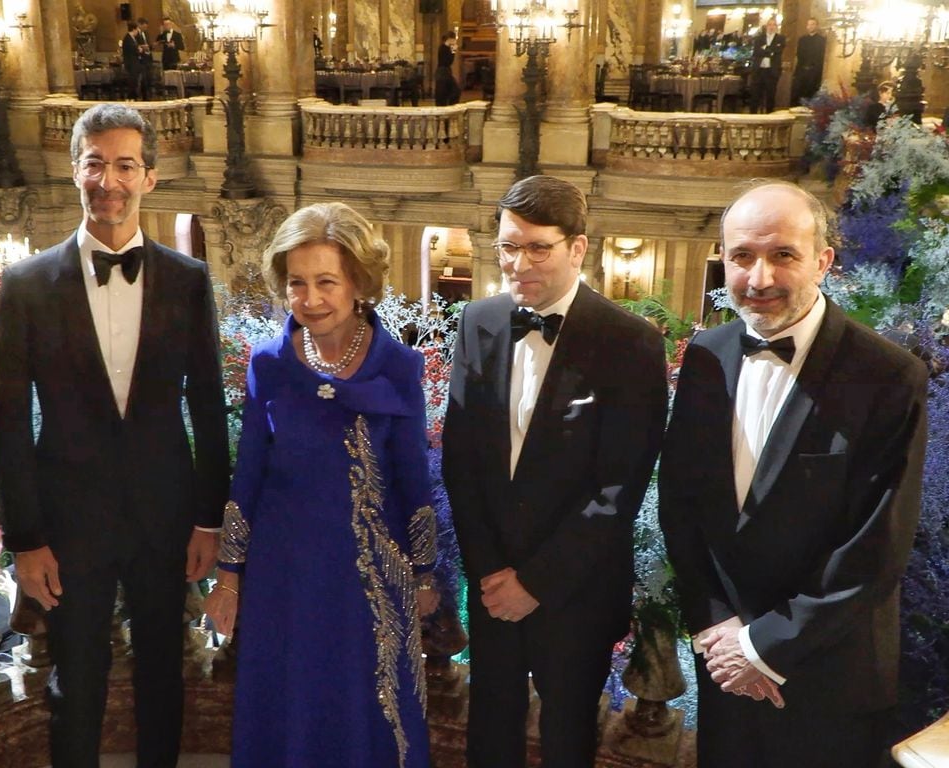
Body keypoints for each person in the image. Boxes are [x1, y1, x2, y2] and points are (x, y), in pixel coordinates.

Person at [0, 102, 230, 768]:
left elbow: (208, 407)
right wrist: (26, 539)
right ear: (74, 171)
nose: (109, 181)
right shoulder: (26, 285)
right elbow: (8, 422)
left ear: (150, 177)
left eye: (126, 165)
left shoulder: (189, 281)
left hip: (165, 517)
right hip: (69, 525)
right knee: (76, 681)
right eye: (95, 164)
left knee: (164, 673)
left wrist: (209, 521)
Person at [659, 181, 928, 768]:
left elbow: (877, 546)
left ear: (824, 260)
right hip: (725, 666)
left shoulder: (888, 377)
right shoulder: (706, 355)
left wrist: (763, 645)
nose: (759, 279)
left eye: (783, 254)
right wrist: (717, 629)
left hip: (827, 676)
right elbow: (680, 504)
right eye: (742, 257)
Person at [442, 175, 667, 768]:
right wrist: (491, 571)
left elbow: (618, 489)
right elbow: (461, 460)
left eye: (537, 247)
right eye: (508, 246)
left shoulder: (631, 342)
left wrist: (534, 582)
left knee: (569, 735)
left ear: (578, 248)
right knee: (490, 726)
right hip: (492, 584)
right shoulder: (478, 321)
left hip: (577, 591)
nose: (519, 263)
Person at [203, 202, 439, 768]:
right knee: (289, 706)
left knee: (364, 712)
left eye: (326, 282)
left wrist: (427, 574)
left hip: (369, 582)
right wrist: (230, 578)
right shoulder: (269, 363)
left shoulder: (400, 366)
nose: (310, 299)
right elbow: (249, 475)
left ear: (359, 282)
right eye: (297, 284)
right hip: (282, 575)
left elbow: (413, 481)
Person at [750, 17, 785, 113]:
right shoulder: (759, 38)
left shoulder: (780, 39)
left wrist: (765, 49)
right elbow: (756, 52)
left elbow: (778, 51)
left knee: (770, 96)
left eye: (774, 25)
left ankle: (769, 119)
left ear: (776, 27)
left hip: (772, 72)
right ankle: (751, 118)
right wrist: (770, 51)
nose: (771, 27)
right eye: (770, 25)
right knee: (755, 96)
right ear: (766, 26)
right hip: (759, 70)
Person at [789, 17, 826, 106]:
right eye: (809, 24)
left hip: (814, 71)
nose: (810, 26)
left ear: (817, 26)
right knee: (798, 93)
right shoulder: (802, 39)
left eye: (813, 24)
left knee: (811, 93)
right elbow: (799, 55)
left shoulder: (822, 40)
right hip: (802, 70)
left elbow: (821, 56)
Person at [434, 30, 461, 107]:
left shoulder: (448, 48)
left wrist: (453, 50)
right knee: (442, 94)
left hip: (446, 72)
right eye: (453, 39)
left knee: (455, 91)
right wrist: (453, 51)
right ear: (449, 39)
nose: (455, 41)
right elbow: (447, 61)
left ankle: (450, 108)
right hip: (442, 73)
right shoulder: (442, 48)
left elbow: (450, 62)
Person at [121, 21, 142, 100]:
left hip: (135, 64)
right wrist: (138, 50)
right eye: (137, 29)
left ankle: (134, 97)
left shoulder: (133, 38)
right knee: (132, 82)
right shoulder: (128, 38)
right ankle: (131, 98)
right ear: (134, 29)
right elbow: (132, 50)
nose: (138, 32)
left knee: (135, 82)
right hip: (131, 64)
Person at [136, 17, 153, 99]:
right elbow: (135, 47)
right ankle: (144, 97)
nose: (146, 28)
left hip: (148, 59)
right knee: (143, 80)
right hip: (141, 60)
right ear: (139, 25)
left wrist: (151, 46)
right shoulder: (136, 34)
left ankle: (148, 96)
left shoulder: (146, 34)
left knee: (149, 79)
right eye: (144, 26)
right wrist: (142, 47)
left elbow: (148, 45)